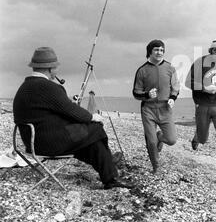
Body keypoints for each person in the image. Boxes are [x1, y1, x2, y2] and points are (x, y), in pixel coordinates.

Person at [13, 47, 134, 190]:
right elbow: (72, 112)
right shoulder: (48, 87)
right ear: (51, 69)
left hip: (33, 142)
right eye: (56, 68)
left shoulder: (25, 86)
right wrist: (92, 116)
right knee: (96, 128)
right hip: (49, 143)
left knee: (90, 140)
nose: (57, 71)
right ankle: (109, 169)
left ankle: (108, 168)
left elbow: (56, 112)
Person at [185, 35, 216, 187]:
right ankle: (197, 137)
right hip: (203, 105)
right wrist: (205, 88)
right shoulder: (200, 63)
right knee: (203, 139)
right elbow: (188, 82)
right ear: (211, 49)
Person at [132, 39, 180, 173]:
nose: (160, 52)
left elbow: (176, 87)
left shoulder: (170, 68)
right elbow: (136, 92)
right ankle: (156, 166)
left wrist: (172, 98)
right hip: (148, 109)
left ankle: (160, 137)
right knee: (151, 142)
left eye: (162, 50)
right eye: (157, 50)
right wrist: (147, 95)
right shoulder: (142, 70)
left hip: (165, 109)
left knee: (171, 140)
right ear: (150, 52)